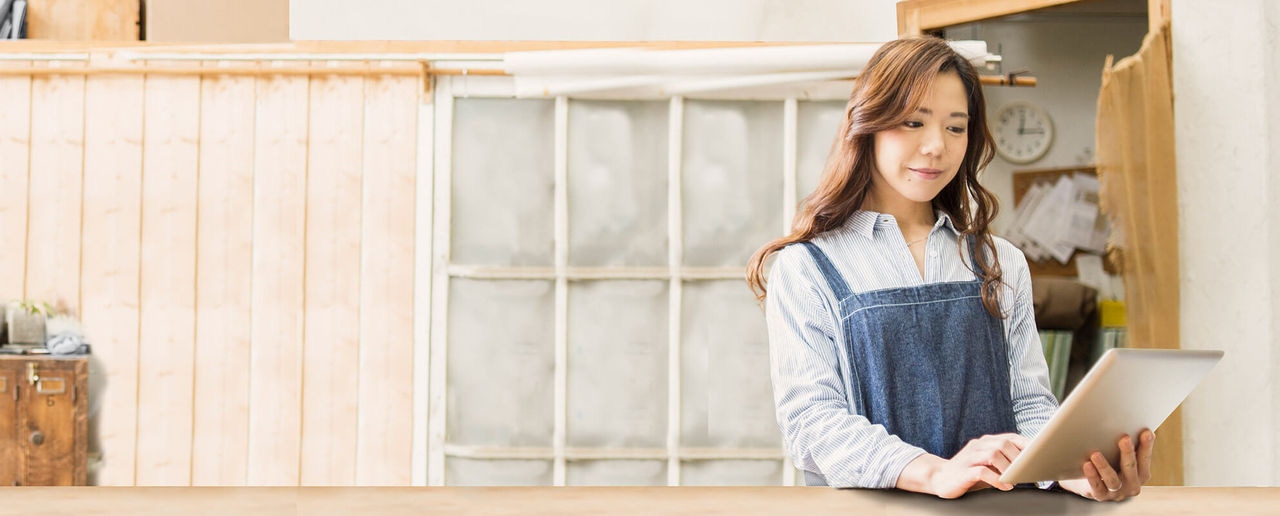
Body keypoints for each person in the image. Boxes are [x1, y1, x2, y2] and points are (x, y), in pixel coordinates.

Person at [744, 36, 1153, 501]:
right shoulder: (807, 267)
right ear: (867, 124)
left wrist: (1072, 470)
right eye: (913, 122)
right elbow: (813, 424)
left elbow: (1029, 404)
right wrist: (933, 472)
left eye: (956, 128)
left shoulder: (1000, 261)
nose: (936, 146)